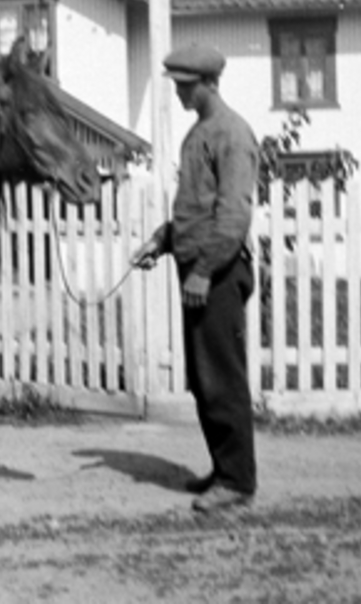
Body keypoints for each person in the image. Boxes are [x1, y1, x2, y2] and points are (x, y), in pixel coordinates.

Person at [131, 43, 259, 513]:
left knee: (222, 376)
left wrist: (204, 270)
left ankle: (238, 481)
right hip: (199, 268)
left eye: (185, 85)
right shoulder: (198, 134)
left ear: (208, 83)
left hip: (219, 271)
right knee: (205, 379)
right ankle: (224, 469)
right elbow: (195, 210)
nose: (180, 93)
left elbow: (232, 216)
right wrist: (161, 241)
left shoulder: (231, 134)